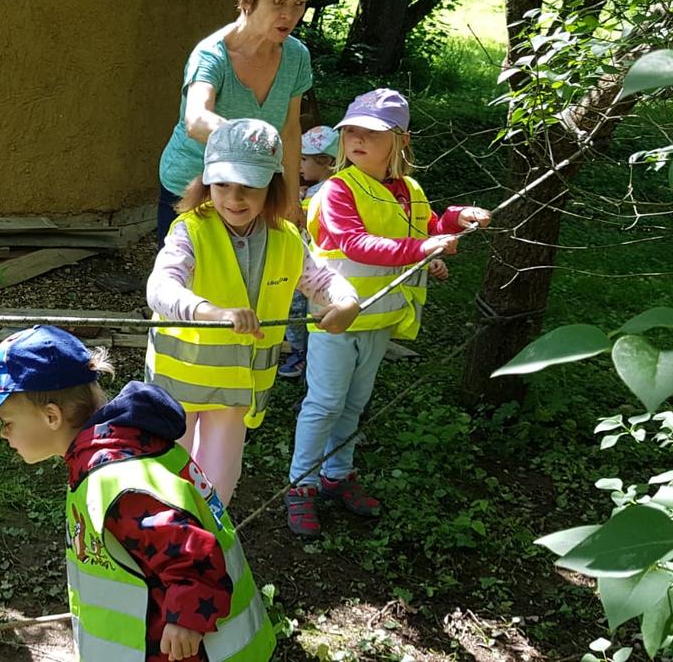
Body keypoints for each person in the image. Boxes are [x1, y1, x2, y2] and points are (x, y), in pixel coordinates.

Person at [0, 326, 276, 662]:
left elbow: (189, 548)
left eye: (5, 422)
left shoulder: (115, 480)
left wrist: (187, 618)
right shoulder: (122, 446)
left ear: (51, 416)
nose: (4, 434)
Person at [285, 89, 491, 536]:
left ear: (400, 139)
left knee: (354, 405)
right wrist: (422, 248)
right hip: (335, 317)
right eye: (351, 132)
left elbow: (425, 227)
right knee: (323, 404)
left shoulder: (409, 190)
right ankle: (299, 486)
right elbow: (356, 243)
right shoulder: (338, 189)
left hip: (378, 319)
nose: (357, 140)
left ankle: (337, 476)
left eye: (371, 133)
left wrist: (455, 219)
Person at [146, 118, 359, 507]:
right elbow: (160, 288)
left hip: (237, 393)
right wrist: (210, 312)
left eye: (250, 185)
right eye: (223, 183)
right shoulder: (189, 231)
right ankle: (163, 549)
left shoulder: (287, 238)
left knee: (218, 483)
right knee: (166, 477)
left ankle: (205, 547)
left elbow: (321, 279)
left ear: (272, 186)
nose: (235, 197)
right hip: (176, 388)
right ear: (206, 181)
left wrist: (346, 301)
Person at [156, 0, 324, 245]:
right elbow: (196, 121)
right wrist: (254, 140)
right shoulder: (211, 55)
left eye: (298, 4)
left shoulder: (297, 56)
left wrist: (290, 200)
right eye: (278, 4)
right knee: (185, 283)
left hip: (253, 188)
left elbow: (289, 130)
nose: (290, 15)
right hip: (193, 185)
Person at [277, 124, 340, 379]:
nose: (298, 164)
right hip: (307, 259)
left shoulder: (324, 193)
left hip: (308, 262)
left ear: (326, 162)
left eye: (304, 159)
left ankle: (301, 354)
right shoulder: (316, 189)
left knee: (298, 310)